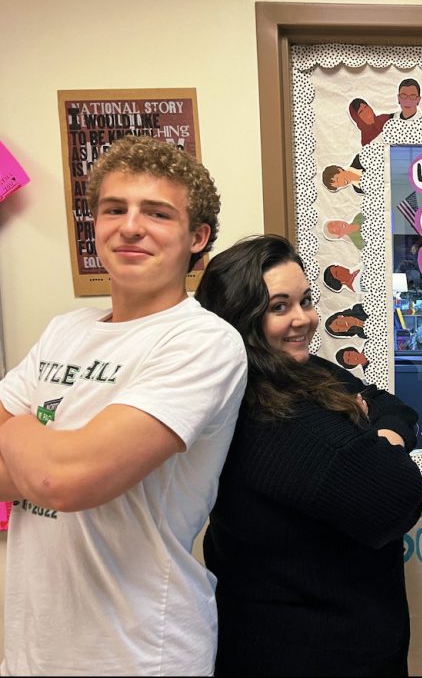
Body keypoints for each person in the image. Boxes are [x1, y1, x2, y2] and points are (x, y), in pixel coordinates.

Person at [0, 135, 248, 675]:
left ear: (197, 238)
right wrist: (50, 457)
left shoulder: (203, 342)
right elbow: (54, 473)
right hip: (30, 647)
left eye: (157, 213)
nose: (130, 226)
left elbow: (58, 482)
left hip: (138, 652)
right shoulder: (66, 329)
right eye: (115, 209)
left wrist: (23, 436)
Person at [194, 234, 422, 676]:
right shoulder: (270, 413)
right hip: (304, 649)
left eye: (305, 301)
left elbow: (391, 404)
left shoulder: (299, 370)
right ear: (238, 318)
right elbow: (396, 499)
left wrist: (378, 429)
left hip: (339, 635)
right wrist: (383, 441)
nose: (305, 319)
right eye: (279, 307)